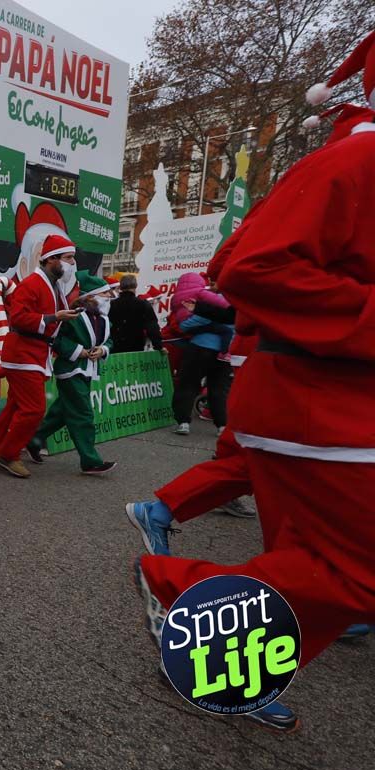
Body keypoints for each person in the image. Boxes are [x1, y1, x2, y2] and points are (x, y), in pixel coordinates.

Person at [135, 32, 375, 732]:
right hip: (316, 401)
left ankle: (230, 667)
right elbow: (249, 268)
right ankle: (185, 596)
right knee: (357, 573)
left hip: (327, 400)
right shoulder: (357, 160)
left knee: (306, 557)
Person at [0, 234, 82, 478]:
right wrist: (53, 318)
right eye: (69, 258)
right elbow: (18, 318)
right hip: (23, 355)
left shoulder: (51, 285)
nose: (72, 264)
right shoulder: (32, 284)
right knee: (34, 409)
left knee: (16, 405)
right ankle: (7, 454)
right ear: (52, 259)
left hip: (33, 353)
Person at [26, 271, 116, 475]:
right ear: (91, 296)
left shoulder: (104, 319)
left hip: (88, 370)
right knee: (82, 413)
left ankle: (34, 440)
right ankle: (90, 460)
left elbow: (109, 341)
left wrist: (103, 350)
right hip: (70, 369)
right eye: (105, 294)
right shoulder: (73, 316)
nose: (109, 298)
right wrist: (79, 351)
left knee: (63, 412)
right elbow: (56, 339)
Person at [169, 272, 234, 434]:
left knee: (188, 384)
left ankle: (183, 422)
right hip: (224, 353)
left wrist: (200, 319)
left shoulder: (202, 301)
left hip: (200, 347)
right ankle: (222, 425)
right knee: (219, 388)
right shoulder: (234, 302)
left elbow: (186, 325)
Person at [108, 273, 163, 353]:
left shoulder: (112, 304)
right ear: (136, 285)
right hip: (136, 346)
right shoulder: (143, 304)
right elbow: (152, 327)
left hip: (115, 346)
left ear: (120, 286)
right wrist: (159, 346)